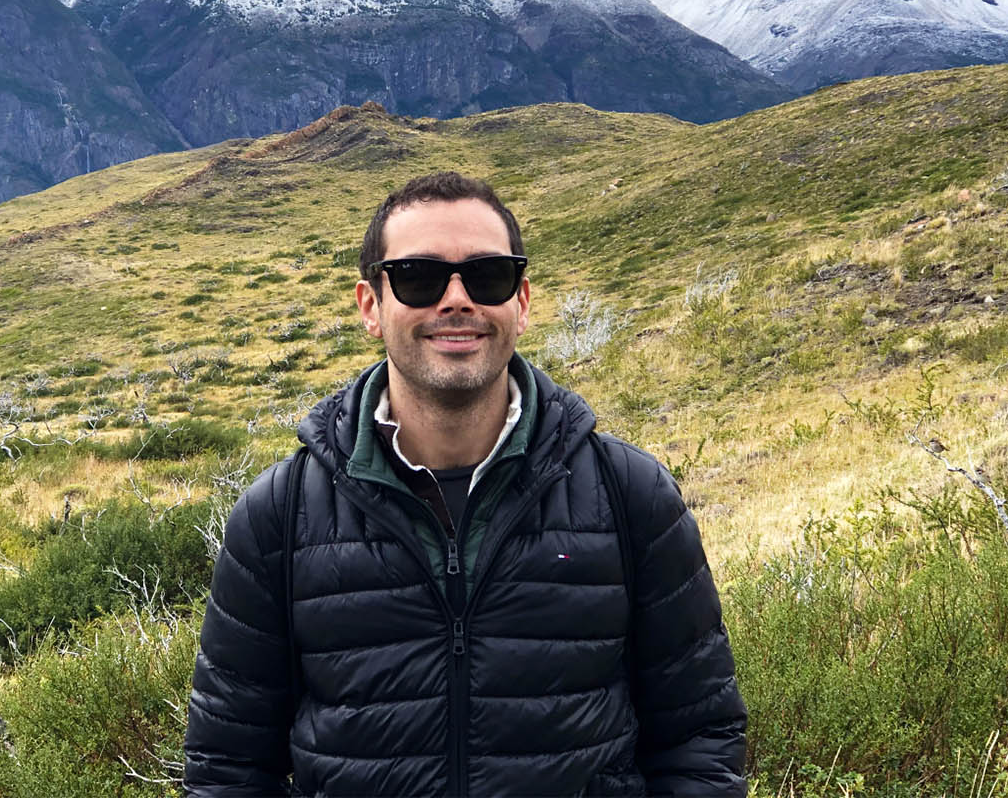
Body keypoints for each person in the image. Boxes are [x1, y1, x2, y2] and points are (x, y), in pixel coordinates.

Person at [184, 171, 747, 796]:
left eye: (488, 276)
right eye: (420, 278)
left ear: (522, 302)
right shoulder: (279, 515)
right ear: (371, 306)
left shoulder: (630, 495)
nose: (456, 300)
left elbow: (699, 738)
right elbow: (228, 767)